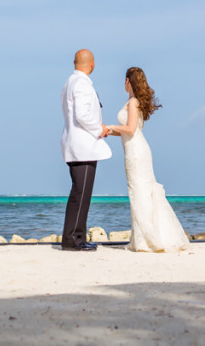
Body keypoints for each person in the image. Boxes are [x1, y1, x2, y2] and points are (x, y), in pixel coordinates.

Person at [105, 67, 189, 252]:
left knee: (139, 191)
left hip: (137, 152)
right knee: (140, 191)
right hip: (134, 148)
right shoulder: (132, 101)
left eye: (124, 80)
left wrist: (110, 126)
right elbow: (127, 132)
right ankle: (143, 238)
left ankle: (148, 240)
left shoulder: (133, 102)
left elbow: (130, 129)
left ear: (128, 81)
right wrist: (109, 132)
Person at [60, 49, 112, 251]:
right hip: (83, 145)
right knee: (81, 193)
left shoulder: (69, 83)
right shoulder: (80, 83)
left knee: (79, 192)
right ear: (92, 64)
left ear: (75, 62)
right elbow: (82, 115)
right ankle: (74, 239)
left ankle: (74, 236)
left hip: (75, 143)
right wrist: (100, 129)